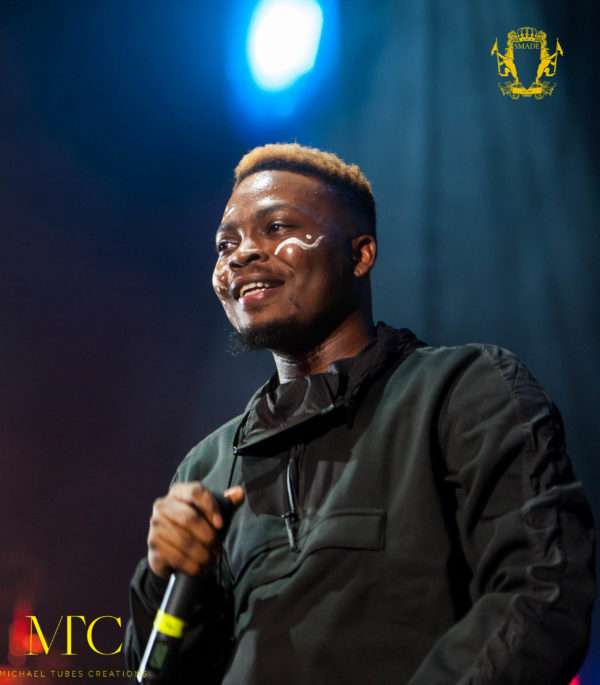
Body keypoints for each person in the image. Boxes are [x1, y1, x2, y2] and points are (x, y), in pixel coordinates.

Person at [124, 143, 596, 684]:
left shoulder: (464, 391)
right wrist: (163, 577)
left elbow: (540, 591)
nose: (242, 253)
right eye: (226, 243)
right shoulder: (206, 468)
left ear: (361, 254)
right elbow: (158, 674)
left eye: (276, 228)